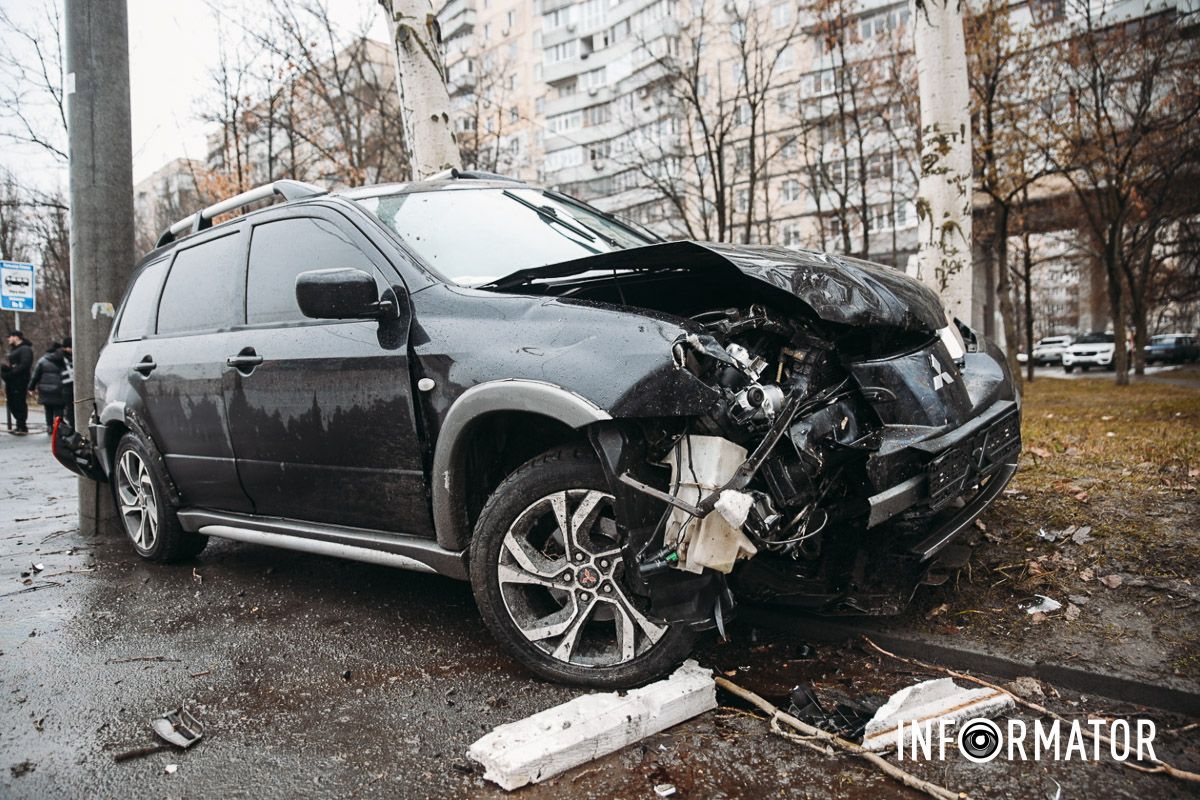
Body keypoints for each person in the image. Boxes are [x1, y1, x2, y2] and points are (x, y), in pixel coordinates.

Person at [29, 342, 68, 432]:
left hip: (45, 390)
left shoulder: (42, 360)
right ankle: (59, 427)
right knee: (59, 408)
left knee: (48, 409)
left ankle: (49, 426)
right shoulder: (63, 359)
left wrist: (31, 387)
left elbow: (35, 376)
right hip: (59, 389)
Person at [2, 329, 33, 434]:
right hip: (13, 381)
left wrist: (11, 372)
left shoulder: (25, 349)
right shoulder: (15, 349)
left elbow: (24, 364)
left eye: (10, 337)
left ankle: (22, 425)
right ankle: (19, 425)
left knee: (19, 403)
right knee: (12, 402)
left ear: (16, 337)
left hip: (19, 381)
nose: (8, 339)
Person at [60, 336, 74, 427]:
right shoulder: (61, 358)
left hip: (73, 385)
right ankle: (71, 425)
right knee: (70, 407)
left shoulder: (76, 356)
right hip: (66, 385)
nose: (70, 349)